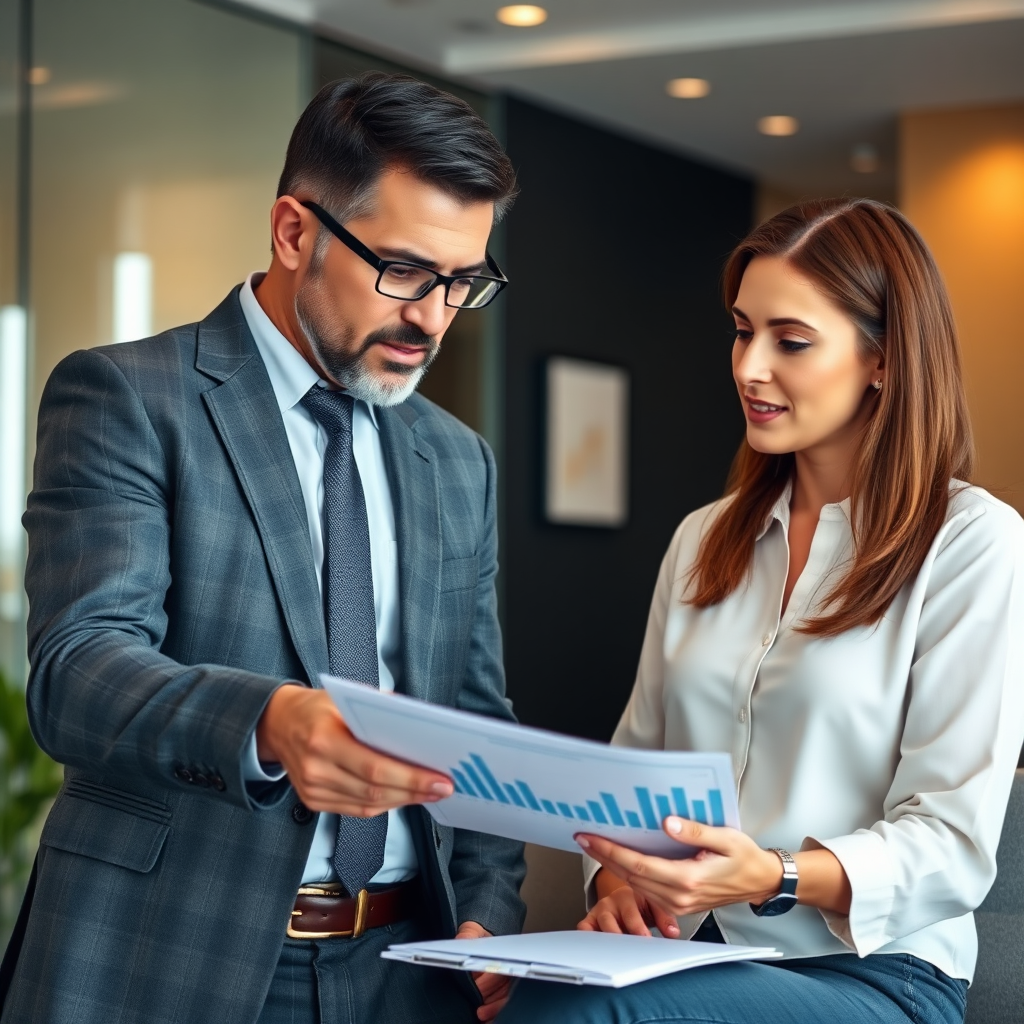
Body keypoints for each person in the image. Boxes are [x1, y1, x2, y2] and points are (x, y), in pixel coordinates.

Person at [0, 73, 525, 1024]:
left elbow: (474, 713)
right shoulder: (128, 397)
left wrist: (488, 909)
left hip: (412, 971)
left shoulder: (459, 461)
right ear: (294, 232)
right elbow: (76, 674)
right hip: (176, 953)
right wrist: (271, 720)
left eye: (463, 283)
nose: (434, 317)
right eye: (404, 271)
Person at [500, 198, 1024, 1024]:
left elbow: (954, 847)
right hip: (695, 951)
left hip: (874, 974)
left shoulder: (971, 544)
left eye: (792, 340)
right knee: (515, 993)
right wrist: (618, 885)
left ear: (883, 359)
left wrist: (772, 874)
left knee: (579, 1016)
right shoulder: (704, 539)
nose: (749, 366)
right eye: (744, 331)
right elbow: (633, 776)